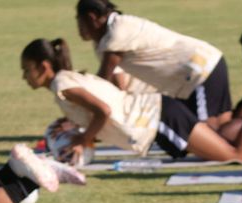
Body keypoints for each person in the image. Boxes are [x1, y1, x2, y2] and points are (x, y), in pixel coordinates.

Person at [20, 38, 240, 164]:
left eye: (27, 70)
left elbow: (103, 111)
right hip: (156, 117)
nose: (24, 77)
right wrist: (76, 126)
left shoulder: (62, 84)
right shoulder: (67, 79)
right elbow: (101, 110)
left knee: (230, 156)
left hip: (157, 117)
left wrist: (82, 139)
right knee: (225, 149)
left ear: (44, 67)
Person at [74, 1, 232, 129]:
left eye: (79, 22)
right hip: (197, 70)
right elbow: (117, 82)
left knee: (211, 131)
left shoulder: (117, 31)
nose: (78, 29)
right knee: (219, 127)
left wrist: (79, 105)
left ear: (91, 17)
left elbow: (104, 80)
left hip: (199, 69)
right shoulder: (107, 39)